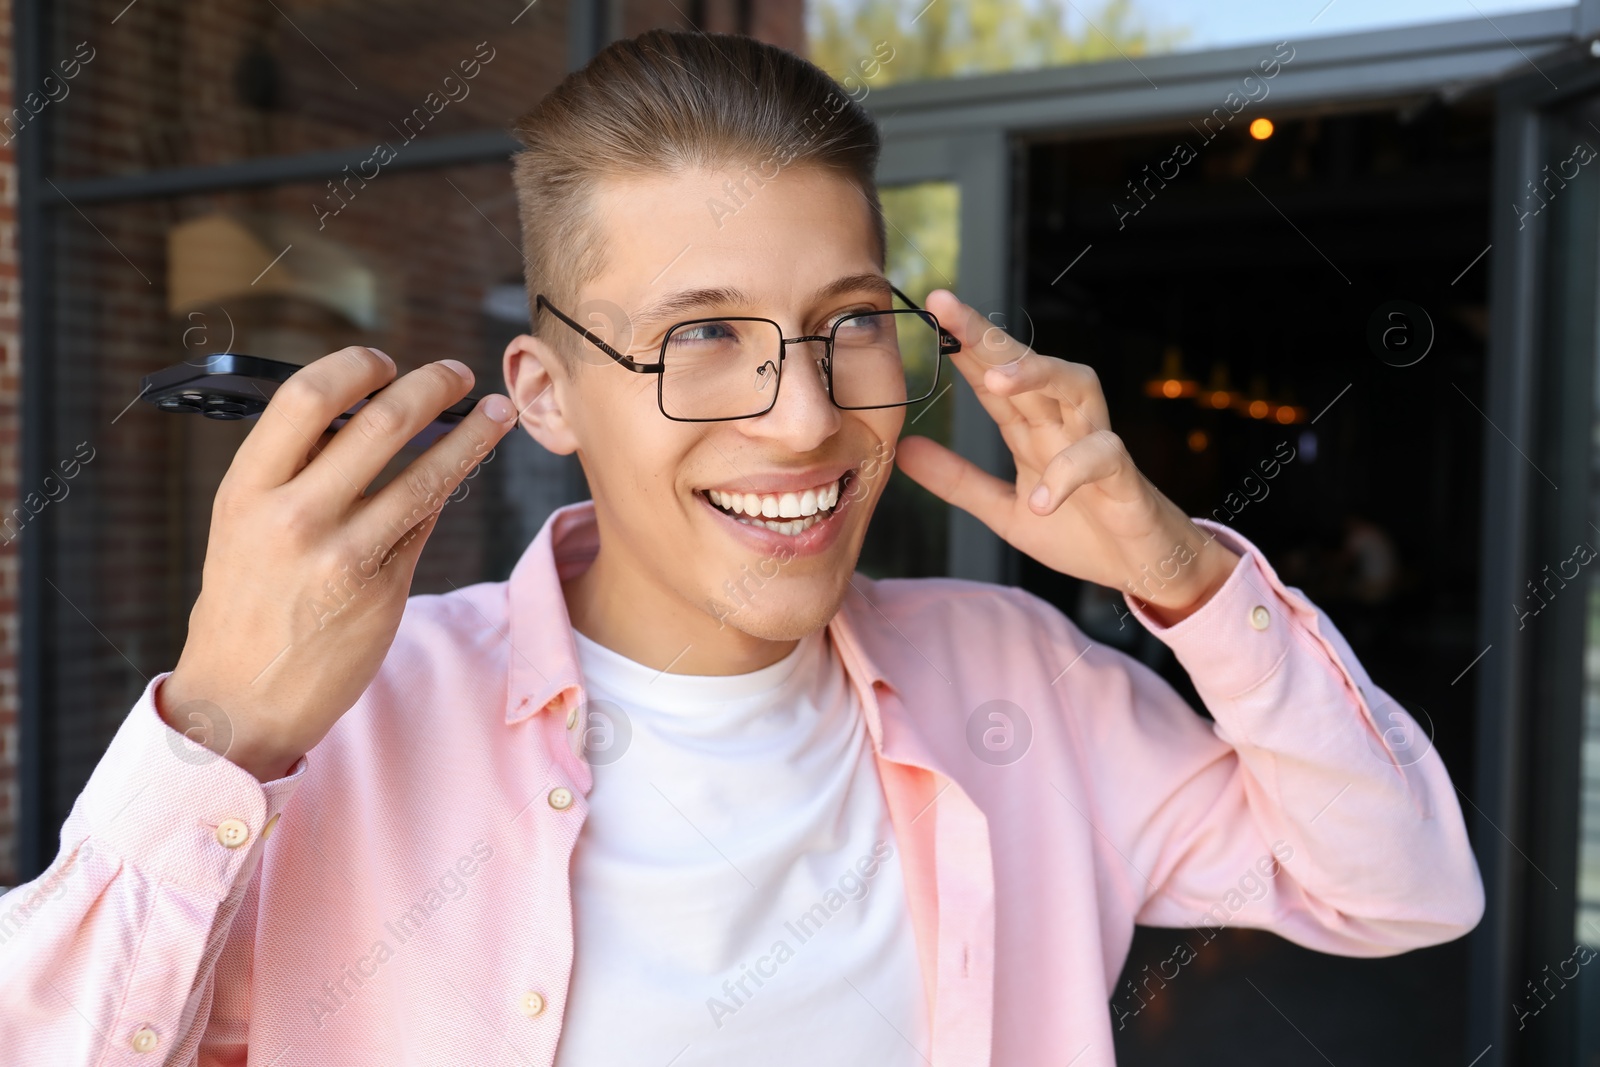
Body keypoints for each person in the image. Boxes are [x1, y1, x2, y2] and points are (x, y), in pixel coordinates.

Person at [0, 29, 1482, 1067]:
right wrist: (219, 734)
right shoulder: (342, 735)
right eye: (703, 337)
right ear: (546, 394)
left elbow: (1404, 887)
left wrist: (1183, 578)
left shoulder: (1025, 682)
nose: (799, 419)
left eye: (847, 323)